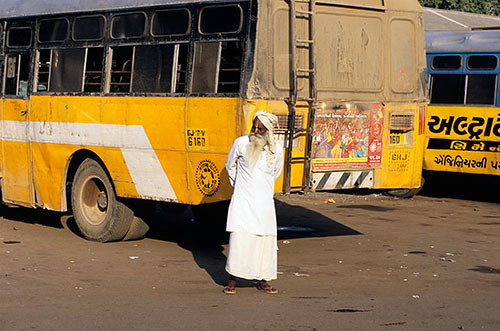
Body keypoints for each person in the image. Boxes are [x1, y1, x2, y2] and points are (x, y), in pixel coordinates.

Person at [223, 110, 284, 295]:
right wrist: (240, 186)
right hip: (243, 202)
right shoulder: (241, 143)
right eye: (254, 127)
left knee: (263, 243)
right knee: (240, 241)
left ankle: (263, 280)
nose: (256, 132)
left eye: (261, 129)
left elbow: (276, 172)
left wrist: (260, 188)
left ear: (268, 131)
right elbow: (229, 166)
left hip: (264, 204)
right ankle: (232, 280)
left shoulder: (277, 149)